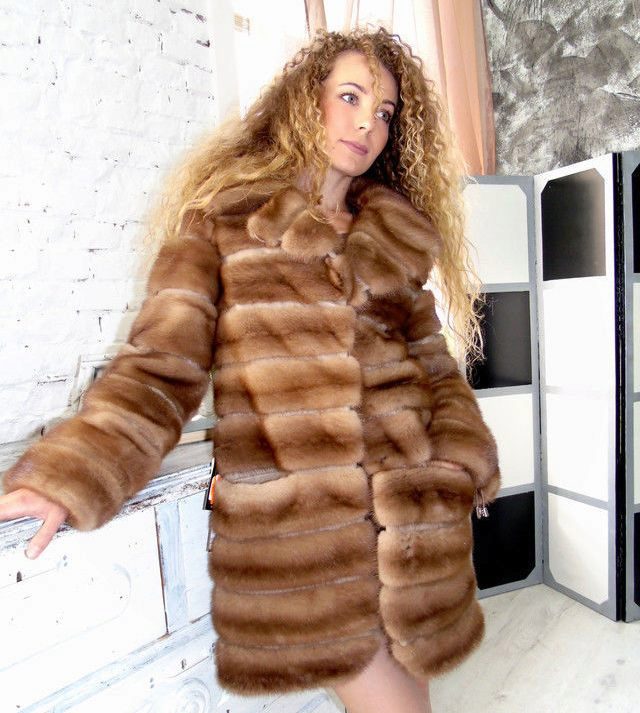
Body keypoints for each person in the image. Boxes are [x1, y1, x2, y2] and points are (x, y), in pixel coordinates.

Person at [0, 27, 500, 713]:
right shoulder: (225, 223)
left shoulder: (396, 237)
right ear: (304, 101)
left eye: (384, 111)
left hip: (414, 518)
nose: (367, 123)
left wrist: (462, 461)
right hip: (311, 535)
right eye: (350, 97)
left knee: (415, 693)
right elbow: (159, 369)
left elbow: (435, 371)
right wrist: (70, 474)